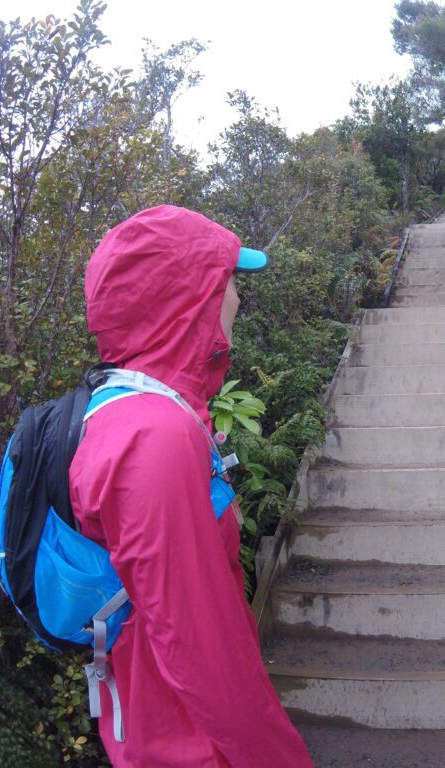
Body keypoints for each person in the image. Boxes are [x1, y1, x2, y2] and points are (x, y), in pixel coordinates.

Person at [69, 205, 314, 767]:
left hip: (159, 722)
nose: (237, 299)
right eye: (227, 283)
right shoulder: (152, 438)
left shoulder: (131, 409)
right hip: (186, 742)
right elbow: (200, 645)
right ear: (185, 300)